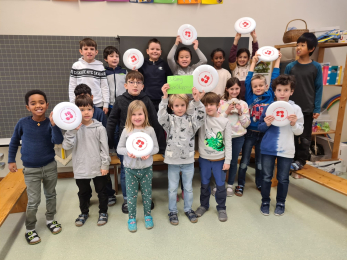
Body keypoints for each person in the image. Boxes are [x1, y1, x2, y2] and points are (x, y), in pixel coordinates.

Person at [8, 90, 63, 245]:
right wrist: (11, 160)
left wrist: (54, 125)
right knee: (33, 200)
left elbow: (58, 140)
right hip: (31, 169)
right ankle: (30, 229)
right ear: (28, 107)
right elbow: (13, 142)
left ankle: (50, 219)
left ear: (47, 105)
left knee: (51, 195)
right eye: (33, 103)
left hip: (50, 166)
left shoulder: (51, 123)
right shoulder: (23, 123)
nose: (38, 105)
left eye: (41, 102)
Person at [106, 71, 166, 214]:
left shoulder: (147, 100)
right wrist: (108, 142)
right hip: (126, 144)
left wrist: (161, 146)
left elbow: (155, 122)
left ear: (142, 86)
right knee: (126, 172)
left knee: (145, 172)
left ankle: (146, 198)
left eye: (138, 82)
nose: (135, 85)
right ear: (126, 85)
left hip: (145, 144)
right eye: (131, 82)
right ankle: (127, 199)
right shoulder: (120, 100)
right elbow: (112, 121)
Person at [235, 51, 282, 196]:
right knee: (244, 161)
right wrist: (253, 62)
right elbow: (249, 78)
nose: (258, 88)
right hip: (250, 133)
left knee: (261, 163)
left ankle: (260, 183)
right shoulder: (250, 96)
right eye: (255, 86)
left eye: (261, 85)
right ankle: (241, 184)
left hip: (264, 134)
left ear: (267, 86)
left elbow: (275, 78)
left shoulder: (269, 95)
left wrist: (278, 60)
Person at [158, 84, 205, 225]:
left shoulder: (192, 120)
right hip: (172, 160)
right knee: (172, 188)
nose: (179, 108)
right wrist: (165, 99)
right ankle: (172, 211)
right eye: (176, 106)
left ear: (186, 106)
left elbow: (201, 116)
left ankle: (188, 209)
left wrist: (197, 101)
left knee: (188, 188)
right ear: (172, 107)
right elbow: (161, 117)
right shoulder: (169, 120)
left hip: (188, 161)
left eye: (182, 105)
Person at [258, 75, 304, 216]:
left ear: (291, 91)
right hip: (268, 148)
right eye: (279, 90)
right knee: (266, 177)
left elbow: (299, 131)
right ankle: (265, 201)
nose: (282, 93)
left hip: (287, 148)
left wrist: (293, 123)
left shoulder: (296, 109)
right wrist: (266, 123)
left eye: (286, 90)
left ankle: (280, 202)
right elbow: (260, 128)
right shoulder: (270, 108)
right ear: (274, 91)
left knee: (283, 178)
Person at [62, 95, 111, 227]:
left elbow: (104, 149)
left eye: (89, 109)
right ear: (76, 112)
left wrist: (105, 164)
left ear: (93, 110)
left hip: (98, 167)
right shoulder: (72, 129)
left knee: (102, 191)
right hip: (81, 167)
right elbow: (66, 146)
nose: (86, 112)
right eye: (82, 109)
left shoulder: (99, 128)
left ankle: (103, 212)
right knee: (83, 192)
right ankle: (84, 212)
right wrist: (72, 131)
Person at [117, 100, 159, 232]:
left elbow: (156, 148)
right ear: (129, 116)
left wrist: (149, 152)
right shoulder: (126, 131)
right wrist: (128, 153)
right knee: (131, 195)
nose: (137, 117)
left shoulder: (150, 130)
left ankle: (147, 216)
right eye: (134, 114)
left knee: (147, 194)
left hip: (146, 168)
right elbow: (119, 148)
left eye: (140, 114)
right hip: (130, 169)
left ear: (145, 115)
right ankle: (132, 218)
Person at [284, 33, 322, 170]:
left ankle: (301, 160)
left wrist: (316, 108)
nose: (298, 48)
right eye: (297, 45)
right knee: (291, 134)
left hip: (307, 108)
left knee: (305, 137)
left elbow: (319, 88)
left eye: (302, 45)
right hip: (291, 108)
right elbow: (284, 86)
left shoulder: (316, 67)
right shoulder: (290, 67)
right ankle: (290, 158)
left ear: (311, 49)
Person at [73, 83, 116, 206]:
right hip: (83, 153)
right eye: (80, 98)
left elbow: (104, 132)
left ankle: (109, 194)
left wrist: (105, 154)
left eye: (86, 97)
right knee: (85, 183)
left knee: (103, 178)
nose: (86, 112)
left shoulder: (99, 113)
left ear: (91, 97)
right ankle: (87, 198)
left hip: (98, 150)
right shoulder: (74, 118)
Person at [195, 92, 232, 222]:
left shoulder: (225, 121)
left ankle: (221, 207)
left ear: (218, 105)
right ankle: (204, 205)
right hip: (204, 159)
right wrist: (197, 99)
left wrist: (227, 161)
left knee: (221, 185)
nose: (208, 107)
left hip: (219, 160)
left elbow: (228, 143)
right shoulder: (201, 119)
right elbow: (192, 110)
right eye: (205, 105)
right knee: (204, 184)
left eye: (211, 104)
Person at [219, 78, 250, 196]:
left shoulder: (243, 104)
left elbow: (246, 124)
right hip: (223, 137)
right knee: (221, 161)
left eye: (237, 88)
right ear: (227, 89)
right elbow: (217, 121)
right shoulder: (221, 103)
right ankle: (220, 184)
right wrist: (226, 111)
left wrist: (241, 112)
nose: (234, 91)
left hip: (238, 137)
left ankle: (230, 185)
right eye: (232, 89)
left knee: (232, 162)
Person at [69, 38, 109, 114]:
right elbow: (72, 86)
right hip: (80, 104)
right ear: (81, 51)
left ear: (96, 52)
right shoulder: (76, 66)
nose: (89, 51)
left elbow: (104, 86)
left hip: (97, 103)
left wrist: (106, 103)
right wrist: (72, 103)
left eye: (92, 49)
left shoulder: (100, 67)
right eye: (86, 49)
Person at [139, 38, 173, 112]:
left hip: (162, 100)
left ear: (160, 52)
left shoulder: (164, 64)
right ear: (147, 51)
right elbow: (138, 81)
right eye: (152, 49)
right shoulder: (142, 64)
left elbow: (171, 81)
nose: (155, 51)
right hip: (146, 100)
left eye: (157, 49)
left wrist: (170, 98)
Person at [228, 30, 259, 100]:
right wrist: (236, 40)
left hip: (249, 95)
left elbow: (255, 54)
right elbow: (232, 56)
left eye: (245, 57)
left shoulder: (250, 66)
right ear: (236, 58)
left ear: (248, 59)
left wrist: (254, 39)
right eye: (240, 57)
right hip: (237, 96)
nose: (242, 59)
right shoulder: (234, 67)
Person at [103, 46, 127, 115]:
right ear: (105, 59)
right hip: (110, 105)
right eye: (111, 56)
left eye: (117, 56)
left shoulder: (124, 71)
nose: (114, 58)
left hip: (123, 103)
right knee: (112, 123)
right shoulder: (104, 72)